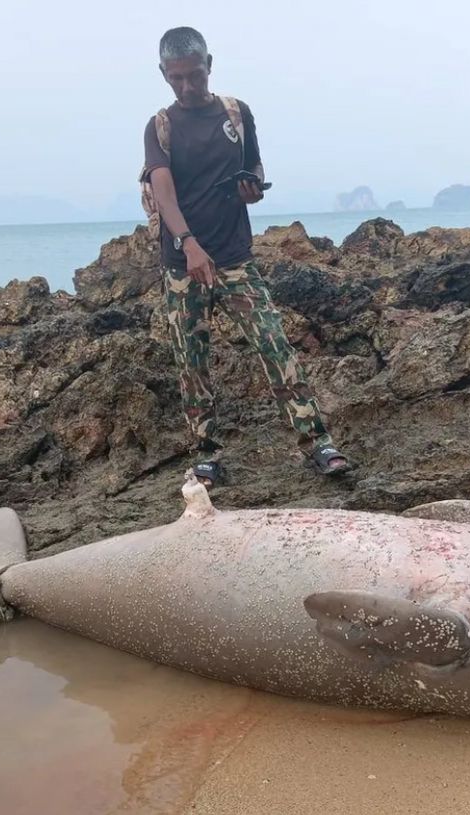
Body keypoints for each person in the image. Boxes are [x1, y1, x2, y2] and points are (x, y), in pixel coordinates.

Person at [141, 26, 353, 489]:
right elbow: (164, 192)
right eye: (176, 78)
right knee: (192, 363)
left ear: (209, 65)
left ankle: (317, 442)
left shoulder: (237, 113)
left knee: (275, 344)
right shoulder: (160, 127)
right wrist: (189, 244)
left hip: (235, 257)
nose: (186, 86)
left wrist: (251, 187)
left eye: (194, 75)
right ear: (163, 73)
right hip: (183, 265)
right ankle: (206, 456)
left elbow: (254, 165)